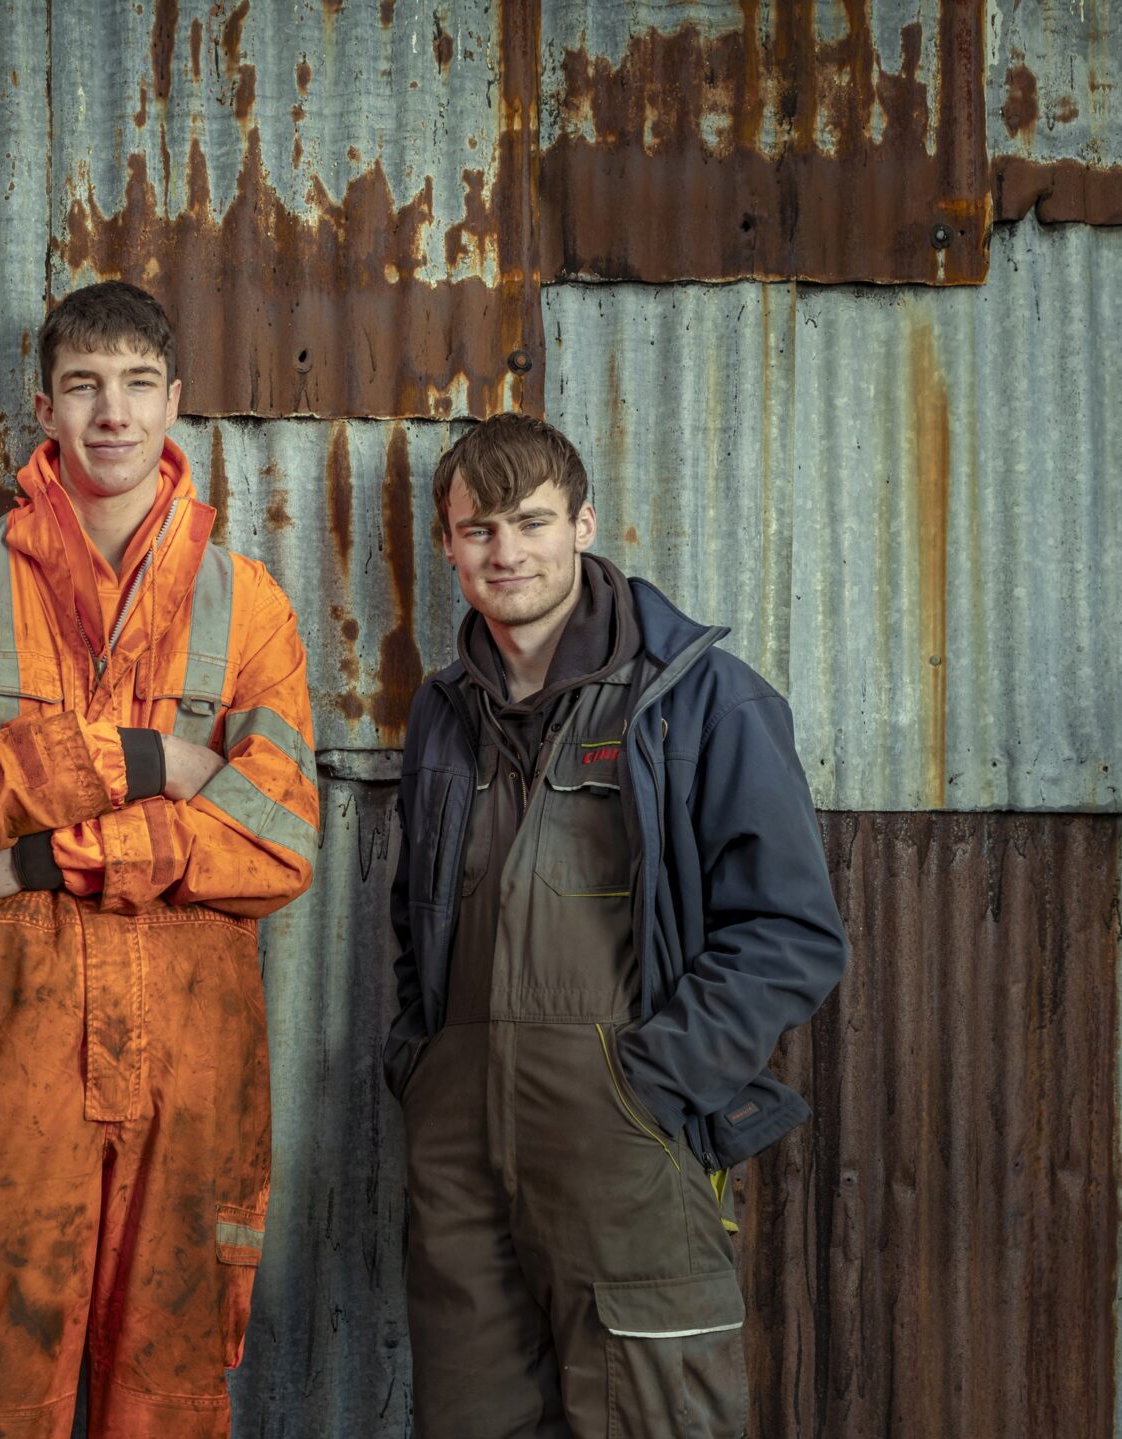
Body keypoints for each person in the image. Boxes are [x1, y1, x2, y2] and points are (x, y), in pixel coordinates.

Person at [0, 280, 321, 1437]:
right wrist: (150, 758)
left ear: (173, 402)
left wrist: (37, 863)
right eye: (83, 386)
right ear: (44, 407)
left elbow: (278, 845)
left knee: (170, 1401)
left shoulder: (248, 603)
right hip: (3, 1049)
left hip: (195, 1060)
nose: (111, 412)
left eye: (136, 385)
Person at [384, 413, 847, 1437]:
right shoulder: (443, 712)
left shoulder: (700, 698)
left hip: (626, 1133)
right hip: (459, 1145)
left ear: (583, 524)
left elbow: (790, 929)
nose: (506, 551)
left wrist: (649, 1084)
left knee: (650, 1417)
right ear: (448, 543)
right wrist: (425, 1065)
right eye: (479, 529)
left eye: (532, 521)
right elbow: (416, 919)